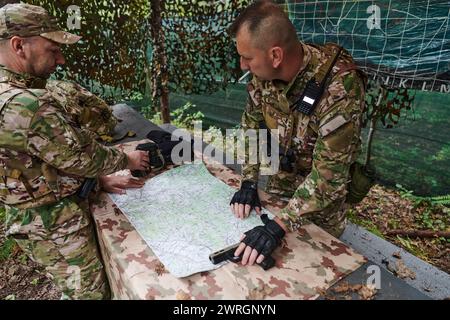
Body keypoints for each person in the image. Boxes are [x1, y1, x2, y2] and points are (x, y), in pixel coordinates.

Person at [0, 3, 149, 299]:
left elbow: (33, 162)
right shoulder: (25, 104)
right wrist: (127, 158)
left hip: (39, 215)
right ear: (20, 46)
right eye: (52, 50)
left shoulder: (13, 92)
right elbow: (82, 157)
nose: (61, 60)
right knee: (89, 295)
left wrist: (97, 181)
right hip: (52, 224)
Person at [229, 1, 367, 267]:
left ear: (276, 56)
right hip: (279, 192)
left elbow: (329, 178)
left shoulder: (340, 88)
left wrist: (279, 225)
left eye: (247, 57)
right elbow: (251, 126)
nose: (243, 65)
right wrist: (249, 181)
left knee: (313, 278)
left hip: (320, 213)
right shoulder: (262, 75)